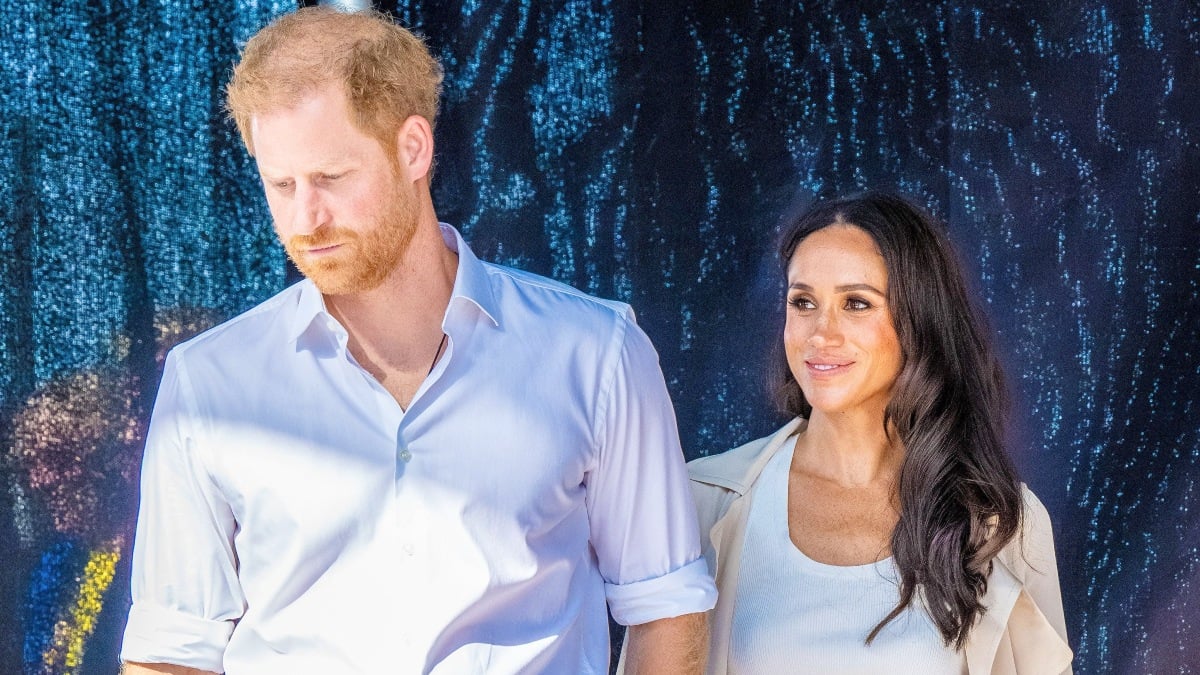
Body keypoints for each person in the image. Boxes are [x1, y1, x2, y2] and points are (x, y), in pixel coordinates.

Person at [118, 7, 714, 674]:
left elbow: (666, 604)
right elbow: (170, 653)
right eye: (281, 185)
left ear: (413, 149)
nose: (305, 218)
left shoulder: (596, 354)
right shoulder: (209, 383)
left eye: (331, 178)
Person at [688, 192, 1072, 674]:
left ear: (919, 321)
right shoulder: (701, 502)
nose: (820, 333)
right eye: (803, 301)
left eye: (856, 303)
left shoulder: (1000, 524)